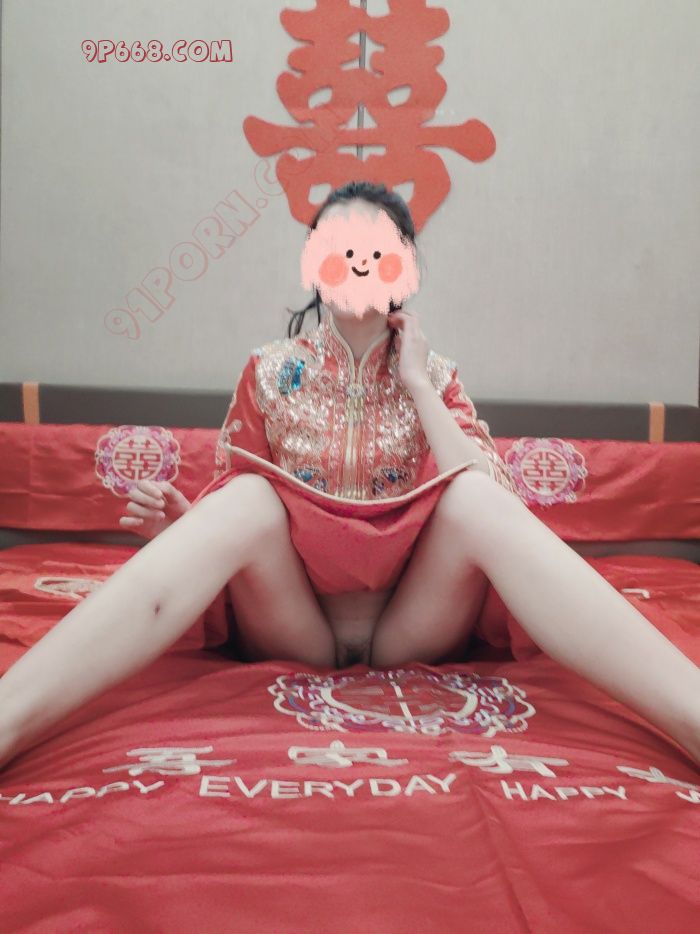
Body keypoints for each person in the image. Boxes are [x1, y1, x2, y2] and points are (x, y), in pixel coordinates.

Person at [0, 180, 699, 774]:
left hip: (412, 625)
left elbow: (492, 496)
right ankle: (10, 718)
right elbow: (236, 523)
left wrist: (417, 382)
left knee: (474, 500)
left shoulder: (438, 376)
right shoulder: (269, 373)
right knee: (247, 499)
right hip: (294, 624)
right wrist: (183, 529)